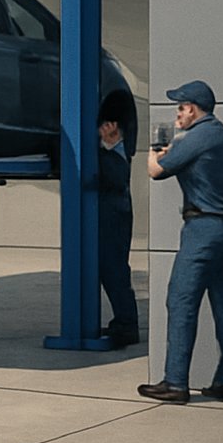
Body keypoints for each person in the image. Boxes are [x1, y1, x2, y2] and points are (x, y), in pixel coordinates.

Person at [138, 79, 223, 404]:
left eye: (179, 108)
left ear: (191, 109)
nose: (177, 115)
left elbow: (156, 171)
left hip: (202, 231)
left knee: (181, 302)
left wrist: (156, 148)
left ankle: (175, 383)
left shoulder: (198, 136)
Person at [97, 117, 140, 348]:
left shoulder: (116, 154)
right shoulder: (112, 152)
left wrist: (108, 148)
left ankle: (127, 323)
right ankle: (123, 321)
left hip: (114, 219)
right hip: (110, 216)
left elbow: (116, 178)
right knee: (111, 271)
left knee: (115, 271)